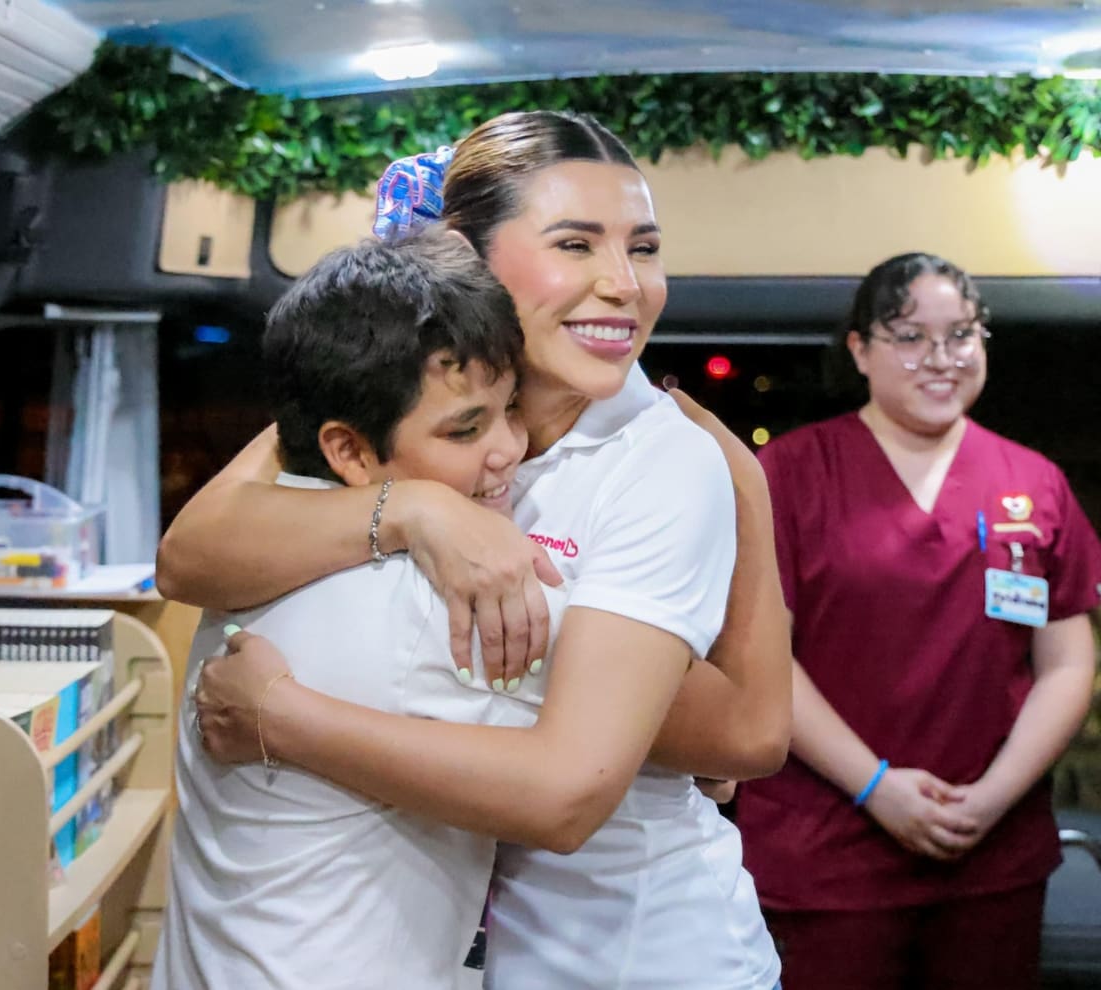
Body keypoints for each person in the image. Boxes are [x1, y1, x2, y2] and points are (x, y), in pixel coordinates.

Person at [176, 110, 790, 989]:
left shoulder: (662, 456)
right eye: (575, 245)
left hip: (635, 958)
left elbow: (728, 736)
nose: (623, 283)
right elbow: (193, 552)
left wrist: (282, 719)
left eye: (643, 248)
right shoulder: (411, 389)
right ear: (464, 252)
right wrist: (419, 510)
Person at [151, 229, 556, 989]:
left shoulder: (263, 546)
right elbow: (659, 754)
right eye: (466, 428)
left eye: (511, 411)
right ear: (348, 450)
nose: (507, 449)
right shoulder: (436, 603)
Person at [737, 251, 1101, 990]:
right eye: (909, 336)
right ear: (861, 350)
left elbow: (1066, 663)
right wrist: (876, 786)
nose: (941, 359)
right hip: (827, 853)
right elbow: (761, 657)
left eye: (961, 334)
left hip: (991, 854)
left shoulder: (1033, 483)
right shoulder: (792, 476)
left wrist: (994, 796)